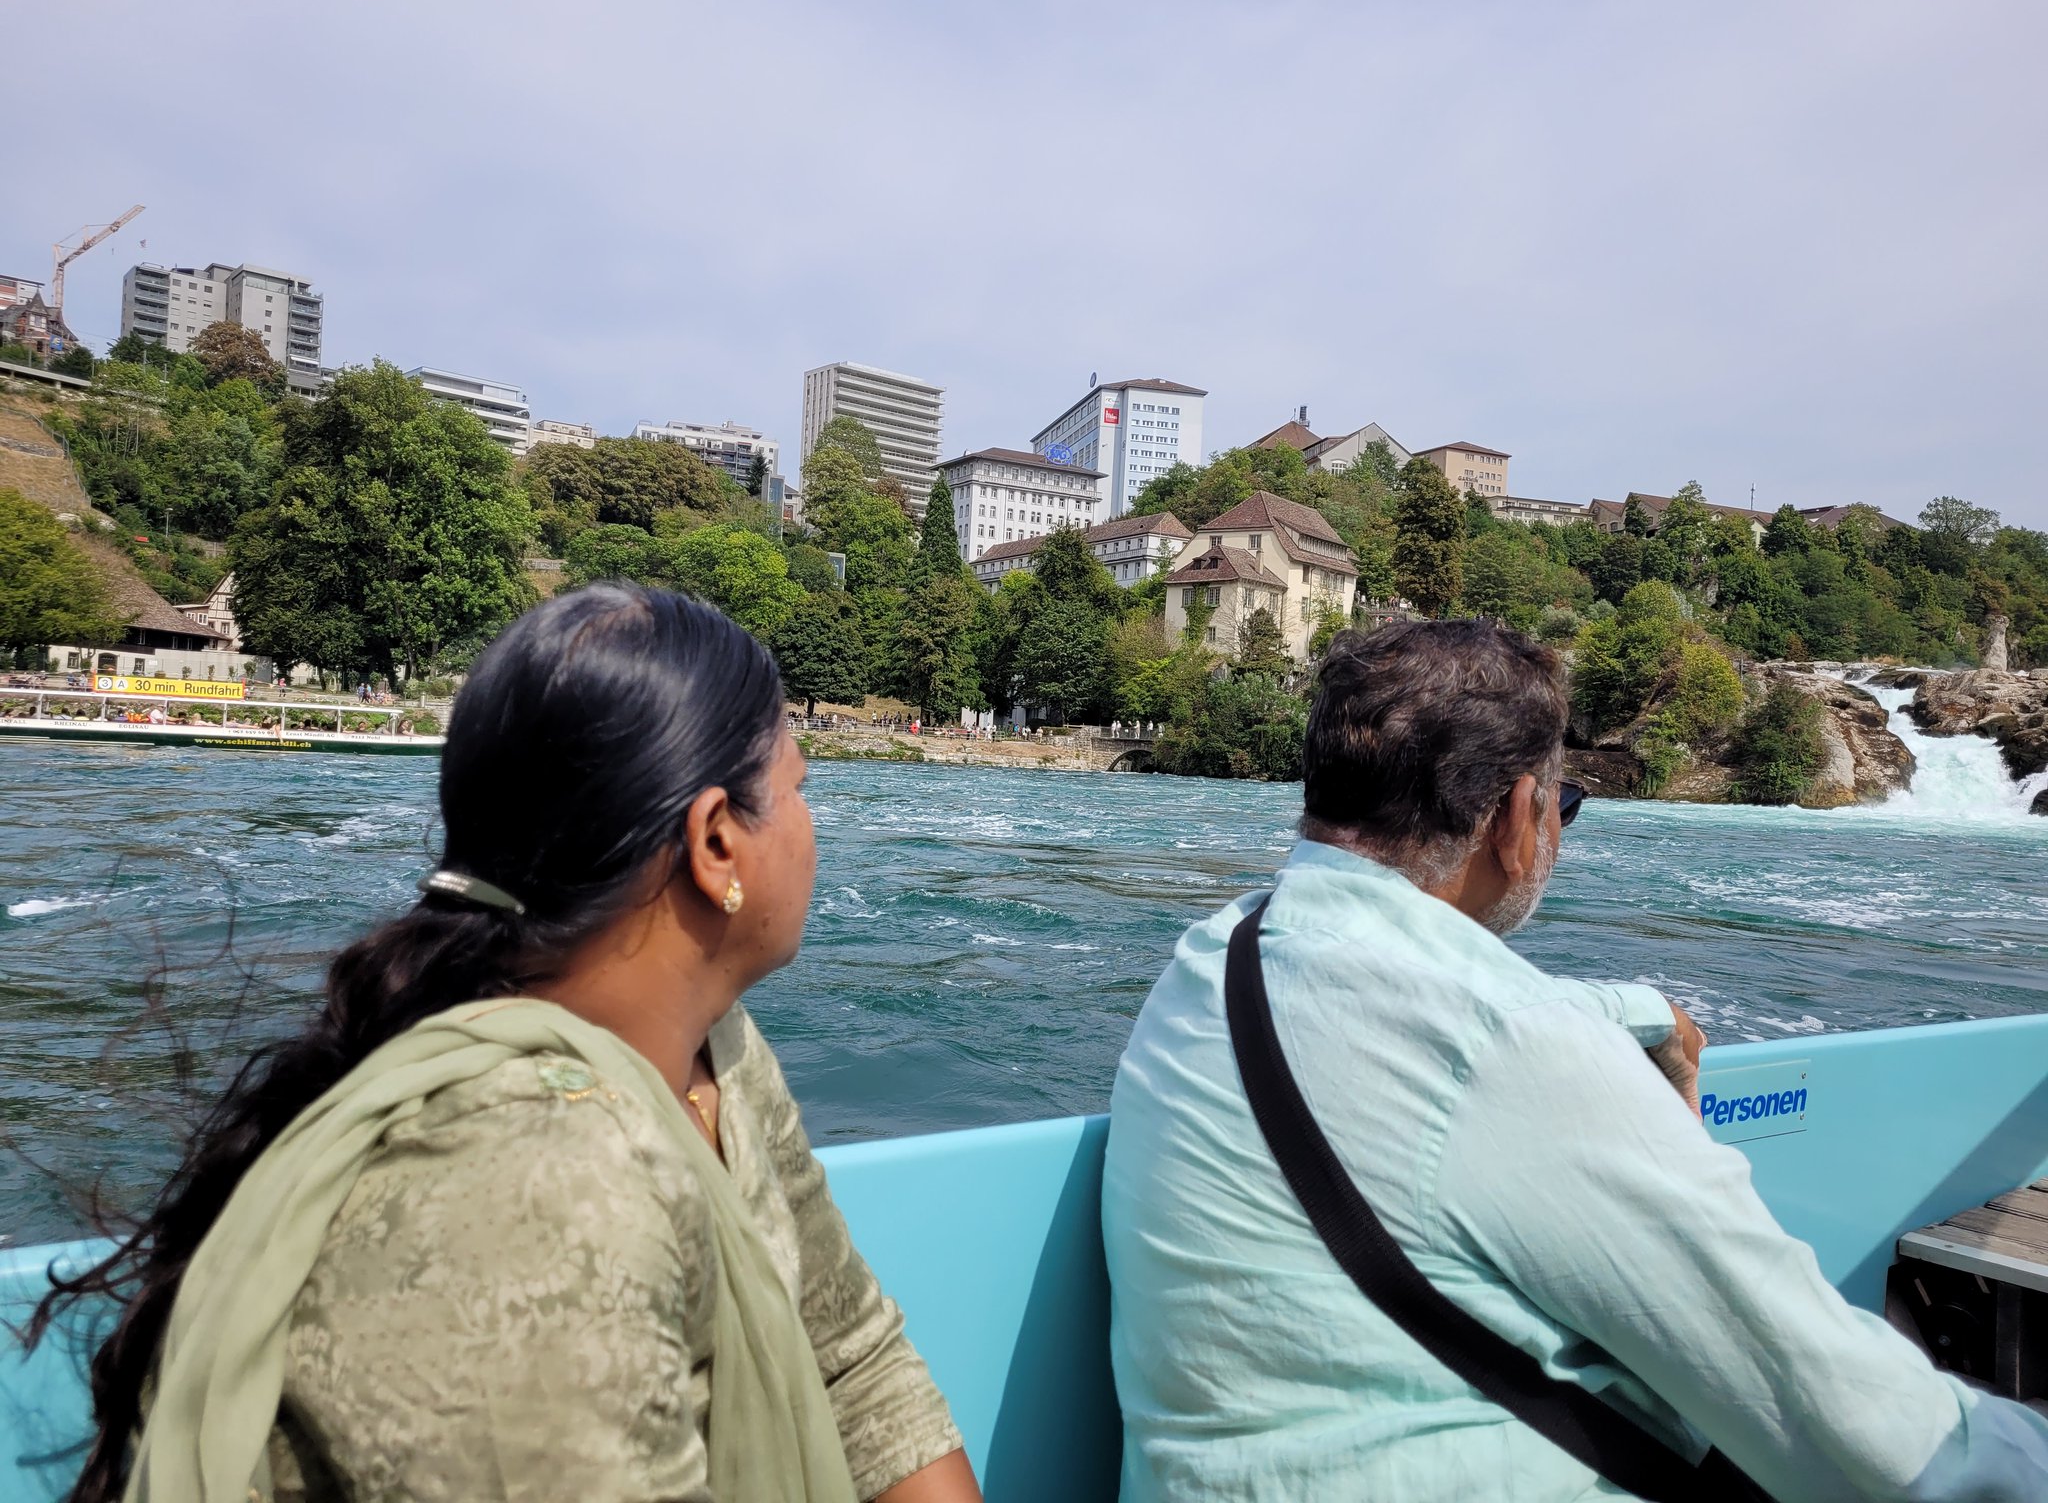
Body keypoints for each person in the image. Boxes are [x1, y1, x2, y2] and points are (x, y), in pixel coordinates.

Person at [36, 583, 979, 1503]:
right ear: (717, 844)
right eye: (800, 791)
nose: (814, 829)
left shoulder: (716, 1053)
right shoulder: (526, 1193)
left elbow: (853, 1361)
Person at [1102, 619, 2048, 1502]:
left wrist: (1641, 1014)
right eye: (1567, 806)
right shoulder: (1515, 1045)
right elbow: (1867, 1437)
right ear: (1520, 815)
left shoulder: (1212, 958)